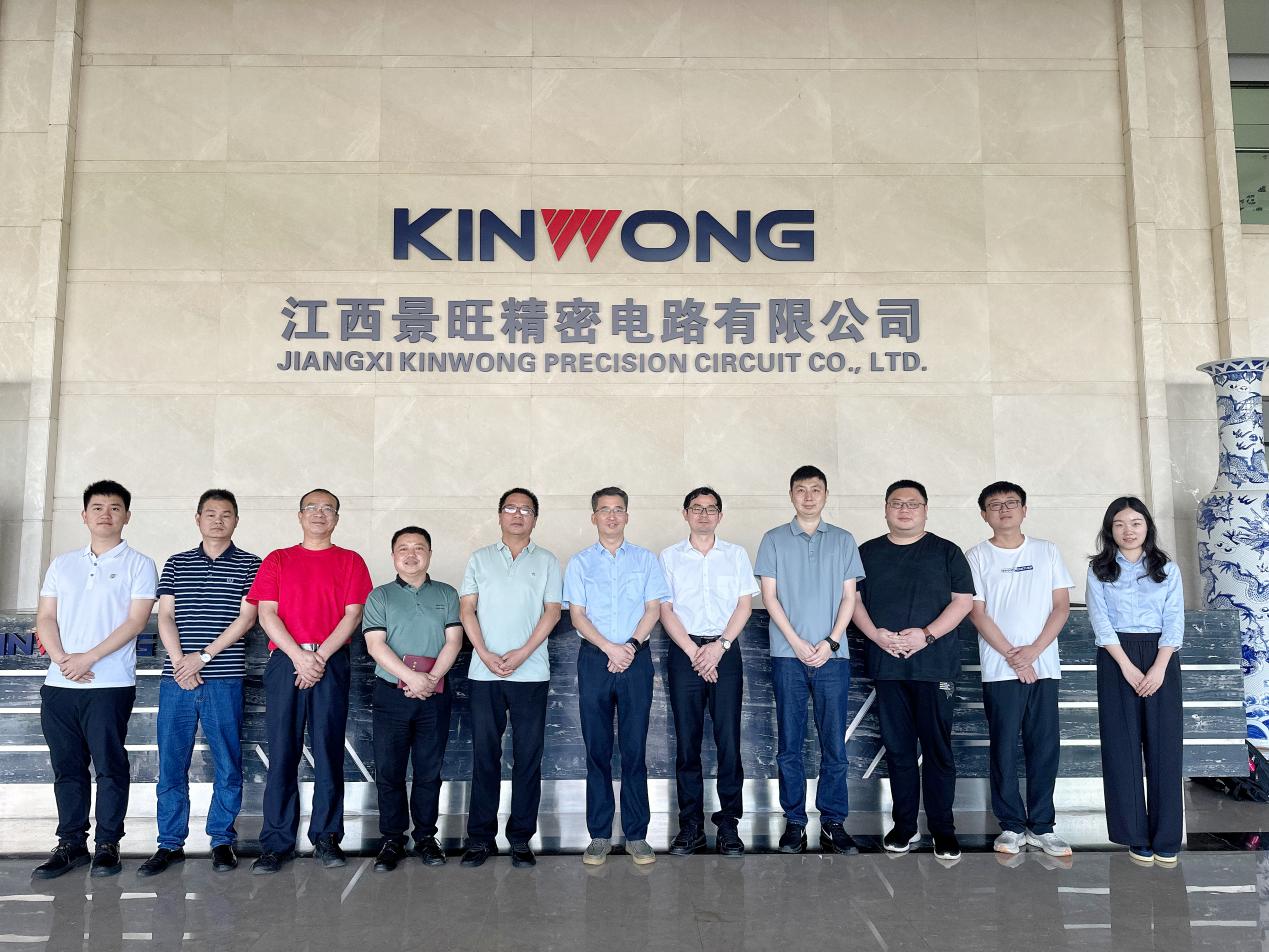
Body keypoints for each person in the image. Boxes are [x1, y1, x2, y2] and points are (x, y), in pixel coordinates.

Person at [32, 480, 158, 880]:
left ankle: (107, 844)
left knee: (109, 766)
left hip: (110, 684)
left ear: (127, 516)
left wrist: (88, 657)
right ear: (85, 515)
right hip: (59, 685)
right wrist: (62, 659)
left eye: (115, 507)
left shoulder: (140, 564)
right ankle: (71, 843)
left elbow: (135, 622)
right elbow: (45, 617)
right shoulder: (62, 564)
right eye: (98, 507)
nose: (106, 514)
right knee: (67, 767)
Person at [247, 488, 372, 874]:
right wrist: (300, 657)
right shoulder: (278, 559)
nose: (320, 513)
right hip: (286, 661)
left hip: (331, 662)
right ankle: (276, 842)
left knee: (328, 750)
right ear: (300, 515)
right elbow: (266, 614)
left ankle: (327, 837)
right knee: (282, 751)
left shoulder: (351, 561)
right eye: (312, 508)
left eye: (328, 508)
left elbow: (353, 616)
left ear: (337, 518)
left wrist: (318, 657)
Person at [140, 489, 261, 877]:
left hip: (224, 677)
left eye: (226, 514)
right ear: (197, 519)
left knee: (227, 761)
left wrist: (203, 657)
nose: (218, 520)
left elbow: (246, 619)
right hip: (176, 679)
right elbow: (165, 616)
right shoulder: (177, 563)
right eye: (210, 514)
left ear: (236, 520)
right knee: (171, 762)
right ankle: (169, 843)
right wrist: (181, 663)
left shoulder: (251, 564)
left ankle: (222, 840)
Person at [852, 479, 974, 861]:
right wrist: (876, 635)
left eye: (913, 503)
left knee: (937, 750)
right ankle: (904, 826)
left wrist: (927, 635)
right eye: (897, 503)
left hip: (934, 665)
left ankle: (943, 830)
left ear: (925, 510)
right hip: (887, 665)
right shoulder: (866, 553)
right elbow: (852, 600)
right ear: (885, 509)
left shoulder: (947, 551)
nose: (904, 510)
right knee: (898, 749)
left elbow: (963, 602)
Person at [754, 465, 863, 855]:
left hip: (834, 657)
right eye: (801, 489)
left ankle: (833, 821)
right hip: (788, 656)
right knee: (790, 743)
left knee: (834, 744)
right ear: (791, 495)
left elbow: (849, 597)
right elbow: (769, 597)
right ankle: (795, 822)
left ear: (826, 494)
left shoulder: (844, 540)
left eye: (816, 489)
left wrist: (831, 642)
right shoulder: (773, 539)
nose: (809, 496)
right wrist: (797, 642)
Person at [966, 481, 1074, 858]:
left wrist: (1033, 652)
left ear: (1024, 510)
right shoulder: (976, 556)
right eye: (995, 505)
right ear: (984, 514)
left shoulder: (1047, 551)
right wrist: (1014, 656)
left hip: (1043, 667)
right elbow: (977, 613)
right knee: (1004, 747)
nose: (1004, 509)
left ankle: (1042, 826)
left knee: (1044, 747)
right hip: (1000, 669)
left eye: (1012, 503)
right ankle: (1011, 825)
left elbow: (1061, 606)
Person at [563, 487, 670, 866]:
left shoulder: (645, 560)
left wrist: (630, 646)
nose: (612, 516)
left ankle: (637, 835)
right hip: (595, 659)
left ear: (627, 516)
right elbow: (577, 615)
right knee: (597, 750)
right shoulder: (579, 563)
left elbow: (653, 608)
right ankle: (599, 835)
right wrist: (610, 648)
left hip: (635, 659)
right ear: (593, 517)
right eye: (605, 510)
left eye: (619, 509)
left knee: (634, 749)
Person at [458, 489, 562, 869]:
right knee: (485, 756)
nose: (518, 515)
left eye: (526, 510)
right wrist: (484, 653)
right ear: (500, 515)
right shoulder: (479, 558)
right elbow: (467, 609)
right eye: (511, 508)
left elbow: (552, 612)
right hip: (483, 673)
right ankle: (480, 838)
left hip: (531, 673)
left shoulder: (548, 561)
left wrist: (522, 653)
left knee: (528, 758)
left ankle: (520, 838)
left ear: (535, 518)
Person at [1086, 496, 1185, 867]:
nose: (1128, 531)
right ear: (1110, 530)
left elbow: (1174, 619)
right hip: (1116, 658)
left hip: (1162, 656)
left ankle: (1167, 836)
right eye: (1119, 524)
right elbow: (1100, 621)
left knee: (1165, 746)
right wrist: (1127, 667)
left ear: (1147, 527)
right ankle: (1134, 835)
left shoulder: (1166, 568)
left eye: (1135, 523)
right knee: (1121, 746)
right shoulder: (1099, 569)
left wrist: (1159, 667)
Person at [658, 487, 757, 857]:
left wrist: (719, 647)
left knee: (728, 740)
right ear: (685, 513)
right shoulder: (669, 557)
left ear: (720, 515)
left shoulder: (735, 554)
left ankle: (729, 824)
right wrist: (695, 653)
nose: (703, 514)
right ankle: (691, 826)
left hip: (725, 651)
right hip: (685, 652)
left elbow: (744, 605)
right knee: (687, 742)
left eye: (710, 508)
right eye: (696, 508)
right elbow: (665, 609)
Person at [363, 526, 463, 872]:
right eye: (403, 548)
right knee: (389, 771)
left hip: (435, 695)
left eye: (419, 547)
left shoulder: (447, 593)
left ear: (429, 554)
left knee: (428, 771)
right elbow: (375, 644)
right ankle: (392, 839)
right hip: (391, 694)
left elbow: (454, 641)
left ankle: (425, 837)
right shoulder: (380, 596)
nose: (411, 554)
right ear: (393, 556)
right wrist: (412, 678)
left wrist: (430, 680)